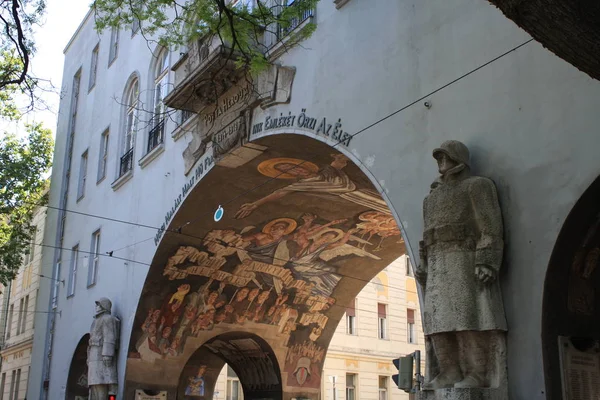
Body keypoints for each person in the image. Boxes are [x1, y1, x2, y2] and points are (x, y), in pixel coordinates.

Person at [418, 140, 507, 389]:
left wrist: (487, 260)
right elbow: (426, 235)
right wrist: (423, 264)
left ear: (458, 159)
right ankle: (449, 371)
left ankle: (477, 373)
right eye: (439, 158)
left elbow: (489, 224)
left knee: (467, 316)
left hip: (463, 258)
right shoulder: (431, 198)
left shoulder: (477, 186)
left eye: (445, 157)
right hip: (437, 262)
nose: (442, 163)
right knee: (436, 320)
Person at [88, 297, 120, 399]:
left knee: (101, 381)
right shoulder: (96, 321)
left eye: (99, 305)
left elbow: (109, 336)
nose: (97, 307)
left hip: (101, 355)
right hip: (94, 355)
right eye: (96, 305)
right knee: (95, 383)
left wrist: (107, 354)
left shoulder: (108, 318)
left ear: (104, 306)